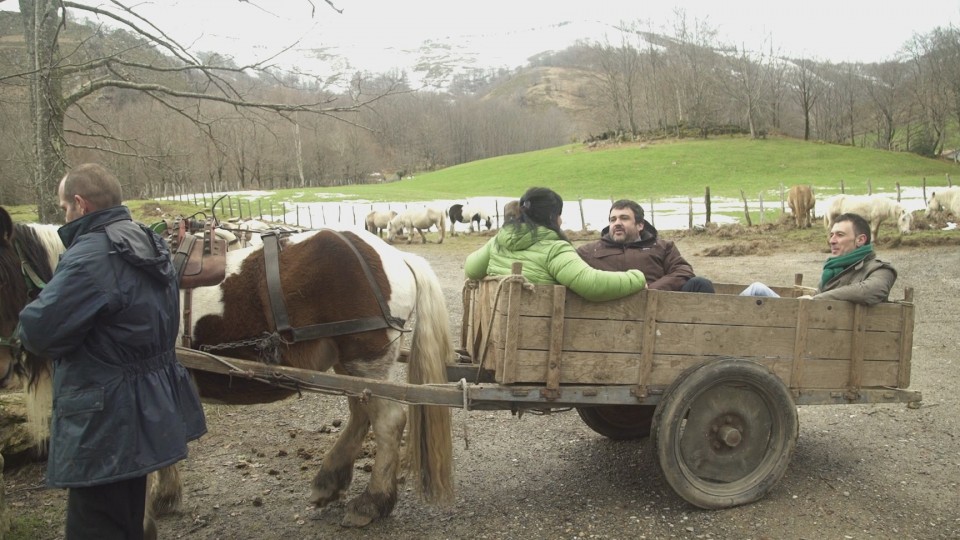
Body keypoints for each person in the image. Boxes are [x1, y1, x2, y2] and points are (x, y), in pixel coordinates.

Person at [17, 163, 207, 539]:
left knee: (94, 525)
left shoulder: (90, 257)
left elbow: (38, 332)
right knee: (127, 517)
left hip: (103, 420)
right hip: (146, 409)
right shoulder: (147, 242)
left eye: (63, 207)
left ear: (79, 204)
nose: (64, 215)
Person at [465, 187, 646, 302]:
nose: (561, 220)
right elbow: (592, 284)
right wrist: (636, 278)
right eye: (559, 214)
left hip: (497, 330)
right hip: (534, 336)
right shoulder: (555, 249)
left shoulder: (499, 240)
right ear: (552, 217)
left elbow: (471, 269)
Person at [740, 212, 897, 305]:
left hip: (826, 340)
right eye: (831, 235)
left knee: (756, 290)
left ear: (860, 240)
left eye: (840, 235)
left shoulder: (879, 270)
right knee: (757, 289)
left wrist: (817, 299)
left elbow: (869, 291)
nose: (832, 240)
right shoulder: (834, 270)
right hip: (815, 326)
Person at [577, 199, 715, 292]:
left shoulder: (662, 247)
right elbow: (567, 268)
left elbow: (683, 271)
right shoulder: (591, 250)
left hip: (660, 309)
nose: (617, 223)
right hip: (608, 312)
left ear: (640, 225)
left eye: (624, 218)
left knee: (701, 284)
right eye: (613, 219)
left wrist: (650, 289)